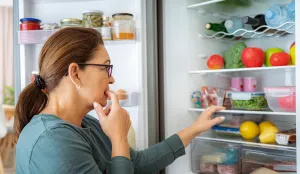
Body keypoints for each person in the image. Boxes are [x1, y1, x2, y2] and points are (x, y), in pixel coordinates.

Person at [14, 27, 225, 174]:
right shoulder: (52, 141)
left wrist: (196, 128)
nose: (112, 78)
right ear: (76, 74)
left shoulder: (85, 124)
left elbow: (137, 164)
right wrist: (118, 138)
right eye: (106, 67)